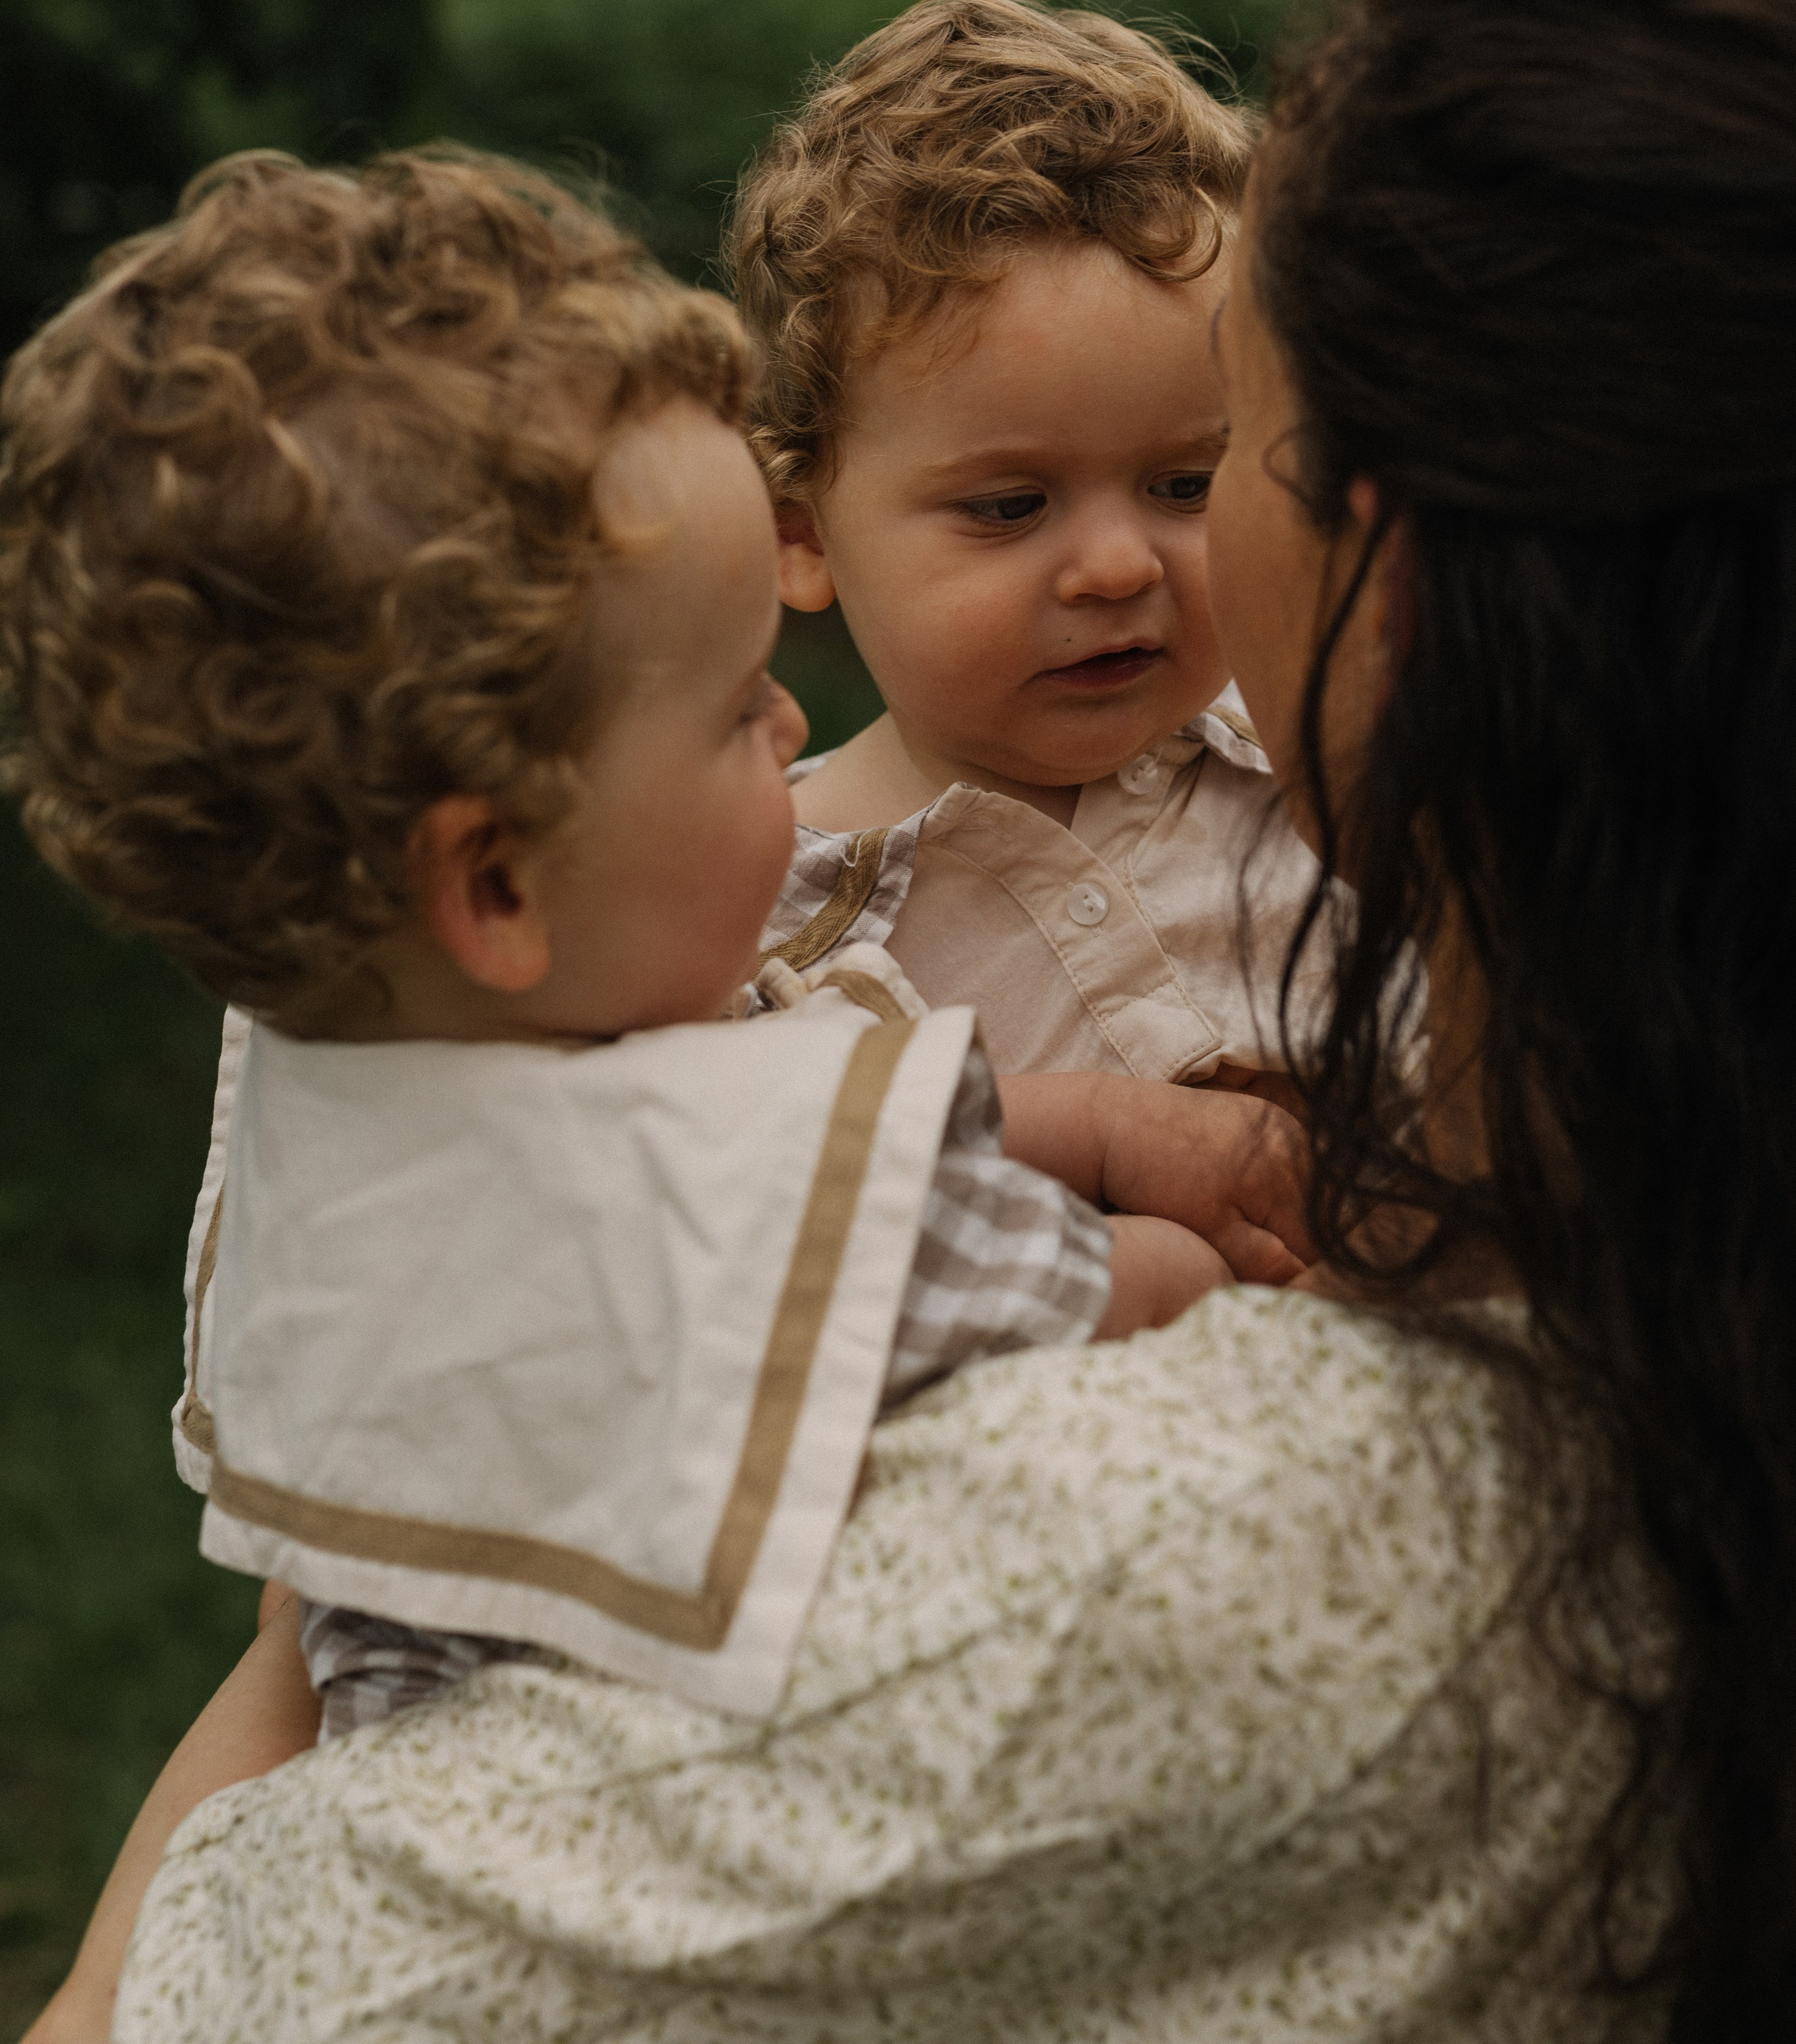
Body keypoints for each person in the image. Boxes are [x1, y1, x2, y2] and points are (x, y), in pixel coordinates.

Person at [100, 0, 1796, 2039]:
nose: (1125, 564)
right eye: (1010, 500)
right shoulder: (1683, 1304)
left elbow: (244, 1984)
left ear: (1392, 577)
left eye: (1216, 453)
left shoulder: (1194, 1593)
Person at [2, 146, 1307, 2044]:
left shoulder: (344, 1106)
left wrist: (88, 2003)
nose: (789, 726)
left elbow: (302, 1636)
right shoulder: (799, 1234)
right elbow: (1123, 1300)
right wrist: (1207, 1237)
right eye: (729, 711)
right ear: (498, 889)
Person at [732, 0, 1325, 1098]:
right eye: (1009, 507)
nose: (1119, 568)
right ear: (800, 534)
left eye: (1187, 485)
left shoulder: (1334, 780)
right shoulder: (750, 931)